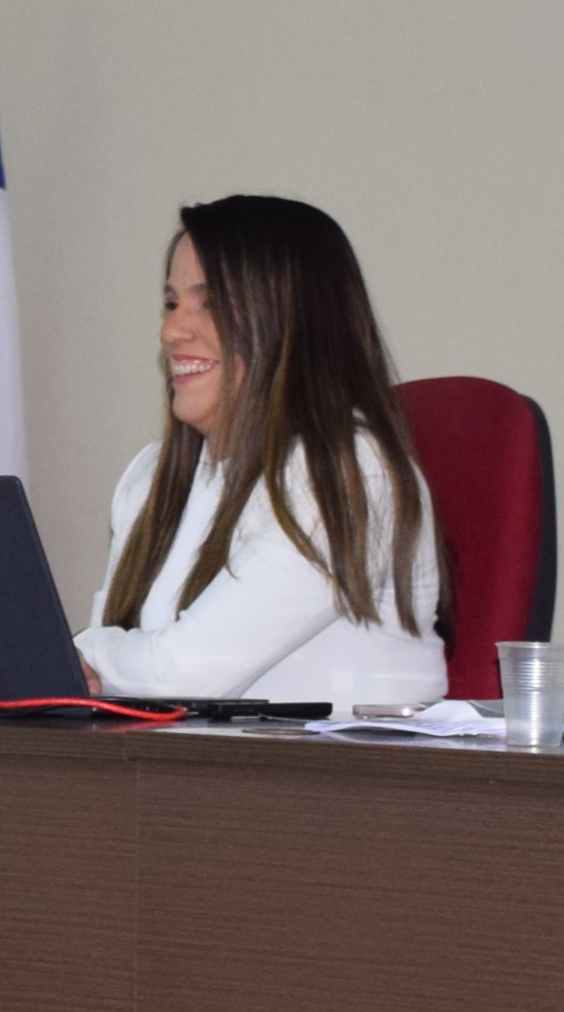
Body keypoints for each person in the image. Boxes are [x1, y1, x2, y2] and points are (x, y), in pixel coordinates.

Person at [75, 195, 447, 705]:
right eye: (172, 303)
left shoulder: (348, 472)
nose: (172, 331)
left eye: (210, 304)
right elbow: (108, 678)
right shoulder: (149, 474)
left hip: (340, 779)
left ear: (292, 319)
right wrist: (79, 657)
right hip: (183, 768)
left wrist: (74, 652)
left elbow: (183, 674)